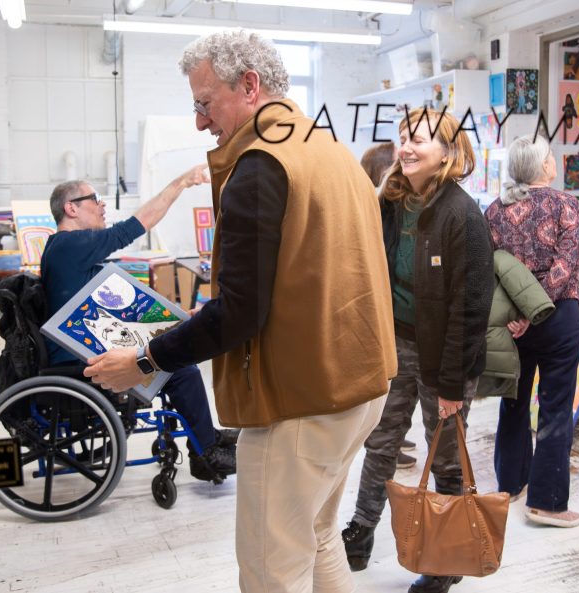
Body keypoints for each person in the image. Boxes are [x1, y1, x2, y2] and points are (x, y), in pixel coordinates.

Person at [82, 30, 397, 593]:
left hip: (301, 402)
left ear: (250, 86)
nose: (201, 122)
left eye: (205, 103)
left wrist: (147, 360)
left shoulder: (260, 166)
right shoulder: (329, 151)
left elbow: (240, 312)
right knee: (319, 540)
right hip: (359, 389)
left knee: (272, 571)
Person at [342, 107, 494, 593]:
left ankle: (448, 559)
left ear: (448, 152)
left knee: (446, 455)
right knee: (381, 441)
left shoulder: (462, 214)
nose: (406, 146)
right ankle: (361, 530)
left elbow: (469, 309)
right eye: (403, 136)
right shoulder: (390, 201)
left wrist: (451, 385)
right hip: (396, 344)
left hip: (445, 357)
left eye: (421, 139)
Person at [40, 175, 238, 483]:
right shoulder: (70, 244)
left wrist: (175, 319)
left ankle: (204, 435)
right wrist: (181, 183)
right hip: (76, 360)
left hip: (83, 348)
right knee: (180, 367)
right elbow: (136, 224)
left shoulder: (66, 250)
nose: (102, 205)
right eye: (94, 199)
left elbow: (116, 314)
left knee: (177, 350)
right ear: (71, 209)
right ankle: (205, 453)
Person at [485, 135, 579, 528]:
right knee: (555, 407)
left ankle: (510, 484)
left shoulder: (494, 210)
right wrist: (536, 308)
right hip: (558, 318)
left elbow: (488, 269)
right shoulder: (566, 205)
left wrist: (520, 312)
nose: (555, 161)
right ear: (544, 167)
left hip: (511, 320)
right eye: (551, 157)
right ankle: (547, 503)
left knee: (512, 399)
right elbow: (565, 266)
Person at [359, 141, 418, 470]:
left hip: (389, 305)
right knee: (387, 382)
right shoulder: (376, 204)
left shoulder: (382, 202)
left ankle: (391, 437)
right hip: (381, 307)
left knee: (394, 383)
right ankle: (385, 442)